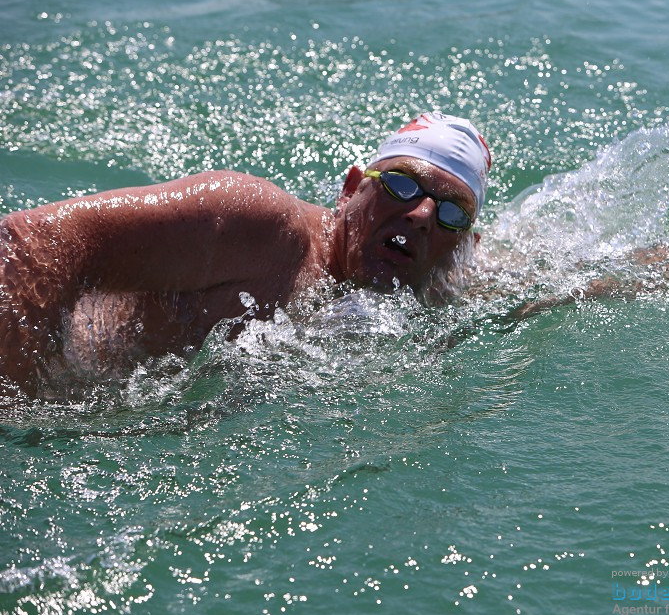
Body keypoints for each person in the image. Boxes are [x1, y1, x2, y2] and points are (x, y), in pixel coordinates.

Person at [0, 112, 491, 400]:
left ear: (463, 245)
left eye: (451, 214)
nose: (423, 214)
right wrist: (20, 414)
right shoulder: (257, 226)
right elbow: (33, 240)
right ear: (349, 190)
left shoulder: (436, 287)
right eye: (403, 185)